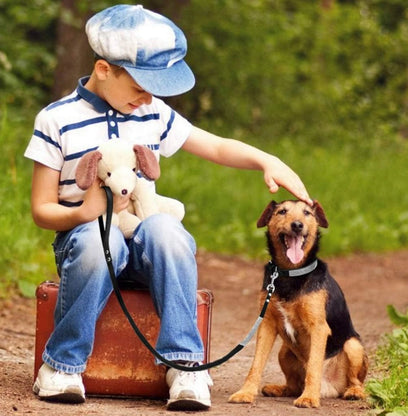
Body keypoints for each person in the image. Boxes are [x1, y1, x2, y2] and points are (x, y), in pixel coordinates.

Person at [25, 4, 312, 411]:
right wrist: (81, 213)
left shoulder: (151, 112)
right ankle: (63, 365)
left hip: (143, 250)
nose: (148, 97)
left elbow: (213, 145)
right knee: (98, 235)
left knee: (167, 231)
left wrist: (267, 160)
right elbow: (41, 210)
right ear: (104, 68)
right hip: (84, 247)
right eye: (141, 86)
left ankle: (184, 364)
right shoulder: (57, 119)